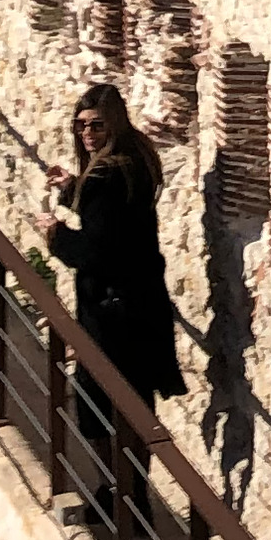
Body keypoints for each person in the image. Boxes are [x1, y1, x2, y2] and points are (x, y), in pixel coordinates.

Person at [45, 81, 185, 407]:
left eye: (96, 125)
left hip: (112, 312)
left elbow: (94, 251)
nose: (87, 133)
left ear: (113, 123)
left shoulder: (106, 175)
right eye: (81, 126)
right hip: (143, 302)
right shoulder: (136, 159)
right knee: (135, 401)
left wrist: (56, 233)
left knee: (101, 408)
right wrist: (72, 189)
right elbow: (116, 221)